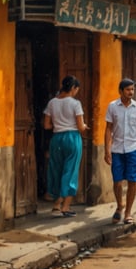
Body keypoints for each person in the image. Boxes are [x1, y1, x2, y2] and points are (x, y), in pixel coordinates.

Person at [43, 75, 89, 218]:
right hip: (72, 138)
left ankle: (56, 204)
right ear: (74, 88)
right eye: (76, 89)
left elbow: (47, 125)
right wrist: (85, 126)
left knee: (56, 169)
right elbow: (81, 127)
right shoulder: (75, 104)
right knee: (70, 170)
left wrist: (59, 124)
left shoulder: (52, 103)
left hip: (56, 138)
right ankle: (66, 206)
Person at [104, 78, 136, 225]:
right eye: (128, 89)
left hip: (133, 149)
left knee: (132, 181)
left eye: (132, 89)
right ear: (121, 91)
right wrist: (107, 150)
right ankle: (119, 206)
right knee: (117, 181)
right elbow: (108, 128)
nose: (131, 92)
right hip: (117, 149)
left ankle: (128, 212)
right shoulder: (112, 106)